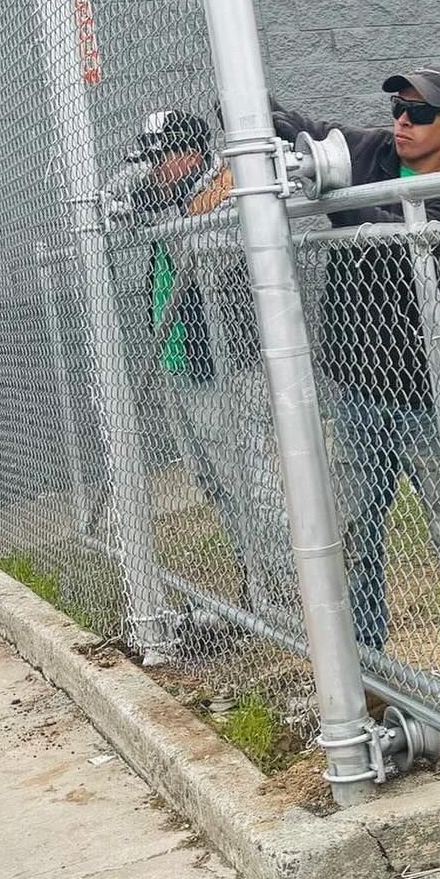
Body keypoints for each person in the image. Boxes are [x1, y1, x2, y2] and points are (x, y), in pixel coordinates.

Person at [270, 69, 440, 682]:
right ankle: (370, 668)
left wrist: (336, 192)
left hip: (425, 390)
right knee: (357, 532)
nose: (403, 121)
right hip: (355, 388)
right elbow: (296, 125)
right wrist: (251, 112)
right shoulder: (371, 149)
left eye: (420, 114)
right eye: (399, 108)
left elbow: (399, 244)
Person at [132, 109, 295, 616]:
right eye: (150, 158)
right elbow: (126, 199)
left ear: (193, 152)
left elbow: (210, 251)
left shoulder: (230, 189)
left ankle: (292, 578)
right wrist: (176, 206)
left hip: (223, 364)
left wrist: (196, 207)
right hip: (179, 360)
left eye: (164, 156)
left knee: (248, 474)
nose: (154, 168)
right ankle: (258, 575)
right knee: (211, 479)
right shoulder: (170, 198)